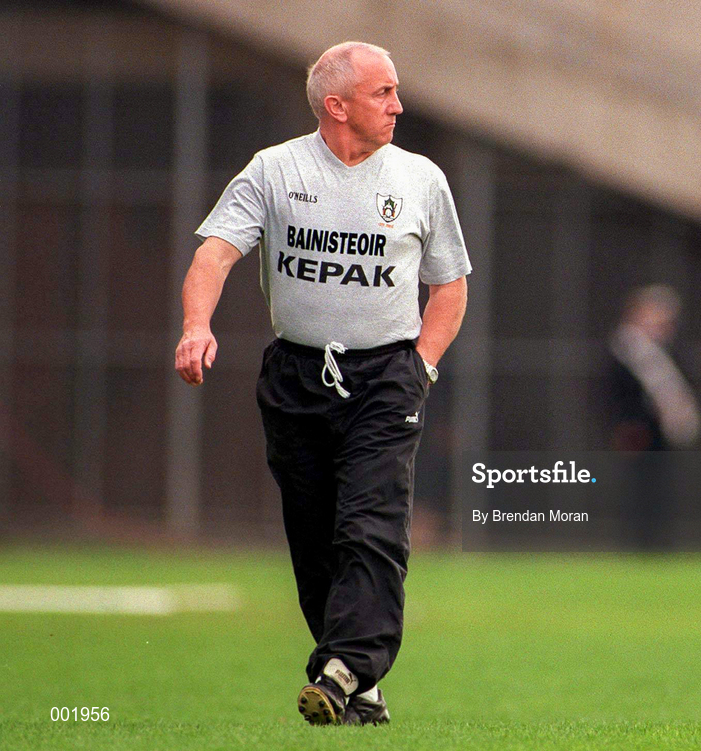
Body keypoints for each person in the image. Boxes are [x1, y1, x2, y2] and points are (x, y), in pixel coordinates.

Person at [173, 41, 470, 726]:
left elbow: (449, 286)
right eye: (382, 93)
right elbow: (214, 254)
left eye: (396, 91)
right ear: (336, 105)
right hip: (295, 376)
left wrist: (420, 365)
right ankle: (357, 686)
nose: (398, 105)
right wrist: (196, 325)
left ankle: (342, 667)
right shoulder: (274, 170)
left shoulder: (420, 178)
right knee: (314, 538)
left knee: (371, 525)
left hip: (386, 376)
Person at [607, 284, 701, 550]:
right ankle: (637, 541)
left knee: (663, 485)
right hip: (637, 428)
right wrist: (625, 425)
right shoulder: (625, 347)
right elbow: (614, 392)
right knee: (638, 486)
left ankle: (661, 540)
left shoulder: (670, 349)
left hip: (665, 428)